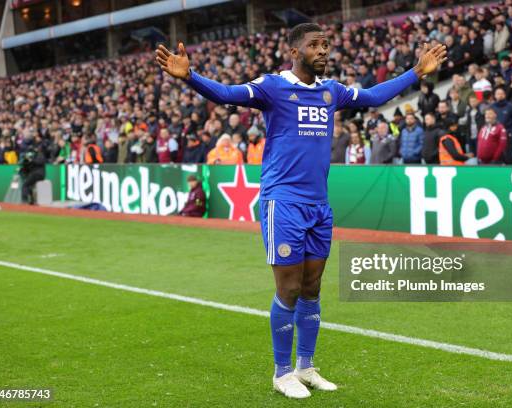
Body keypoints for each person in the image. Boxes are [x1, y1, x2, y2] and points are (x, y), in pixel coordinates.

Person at [156, 23, 446, 399]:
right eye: (314, 45)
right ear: (295, 51)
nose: (323, 51)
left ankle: (305, 366)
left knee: (312, 287)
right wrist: (190, 76)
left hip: (318, 205)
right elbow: (228, 93)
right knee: (289, 288)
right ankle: (281, 373)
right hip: (284, 202)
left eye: (326, 45)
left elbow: (373, 97)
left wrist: (416, 72)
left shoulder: (331, 91)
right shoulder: (272, 87)